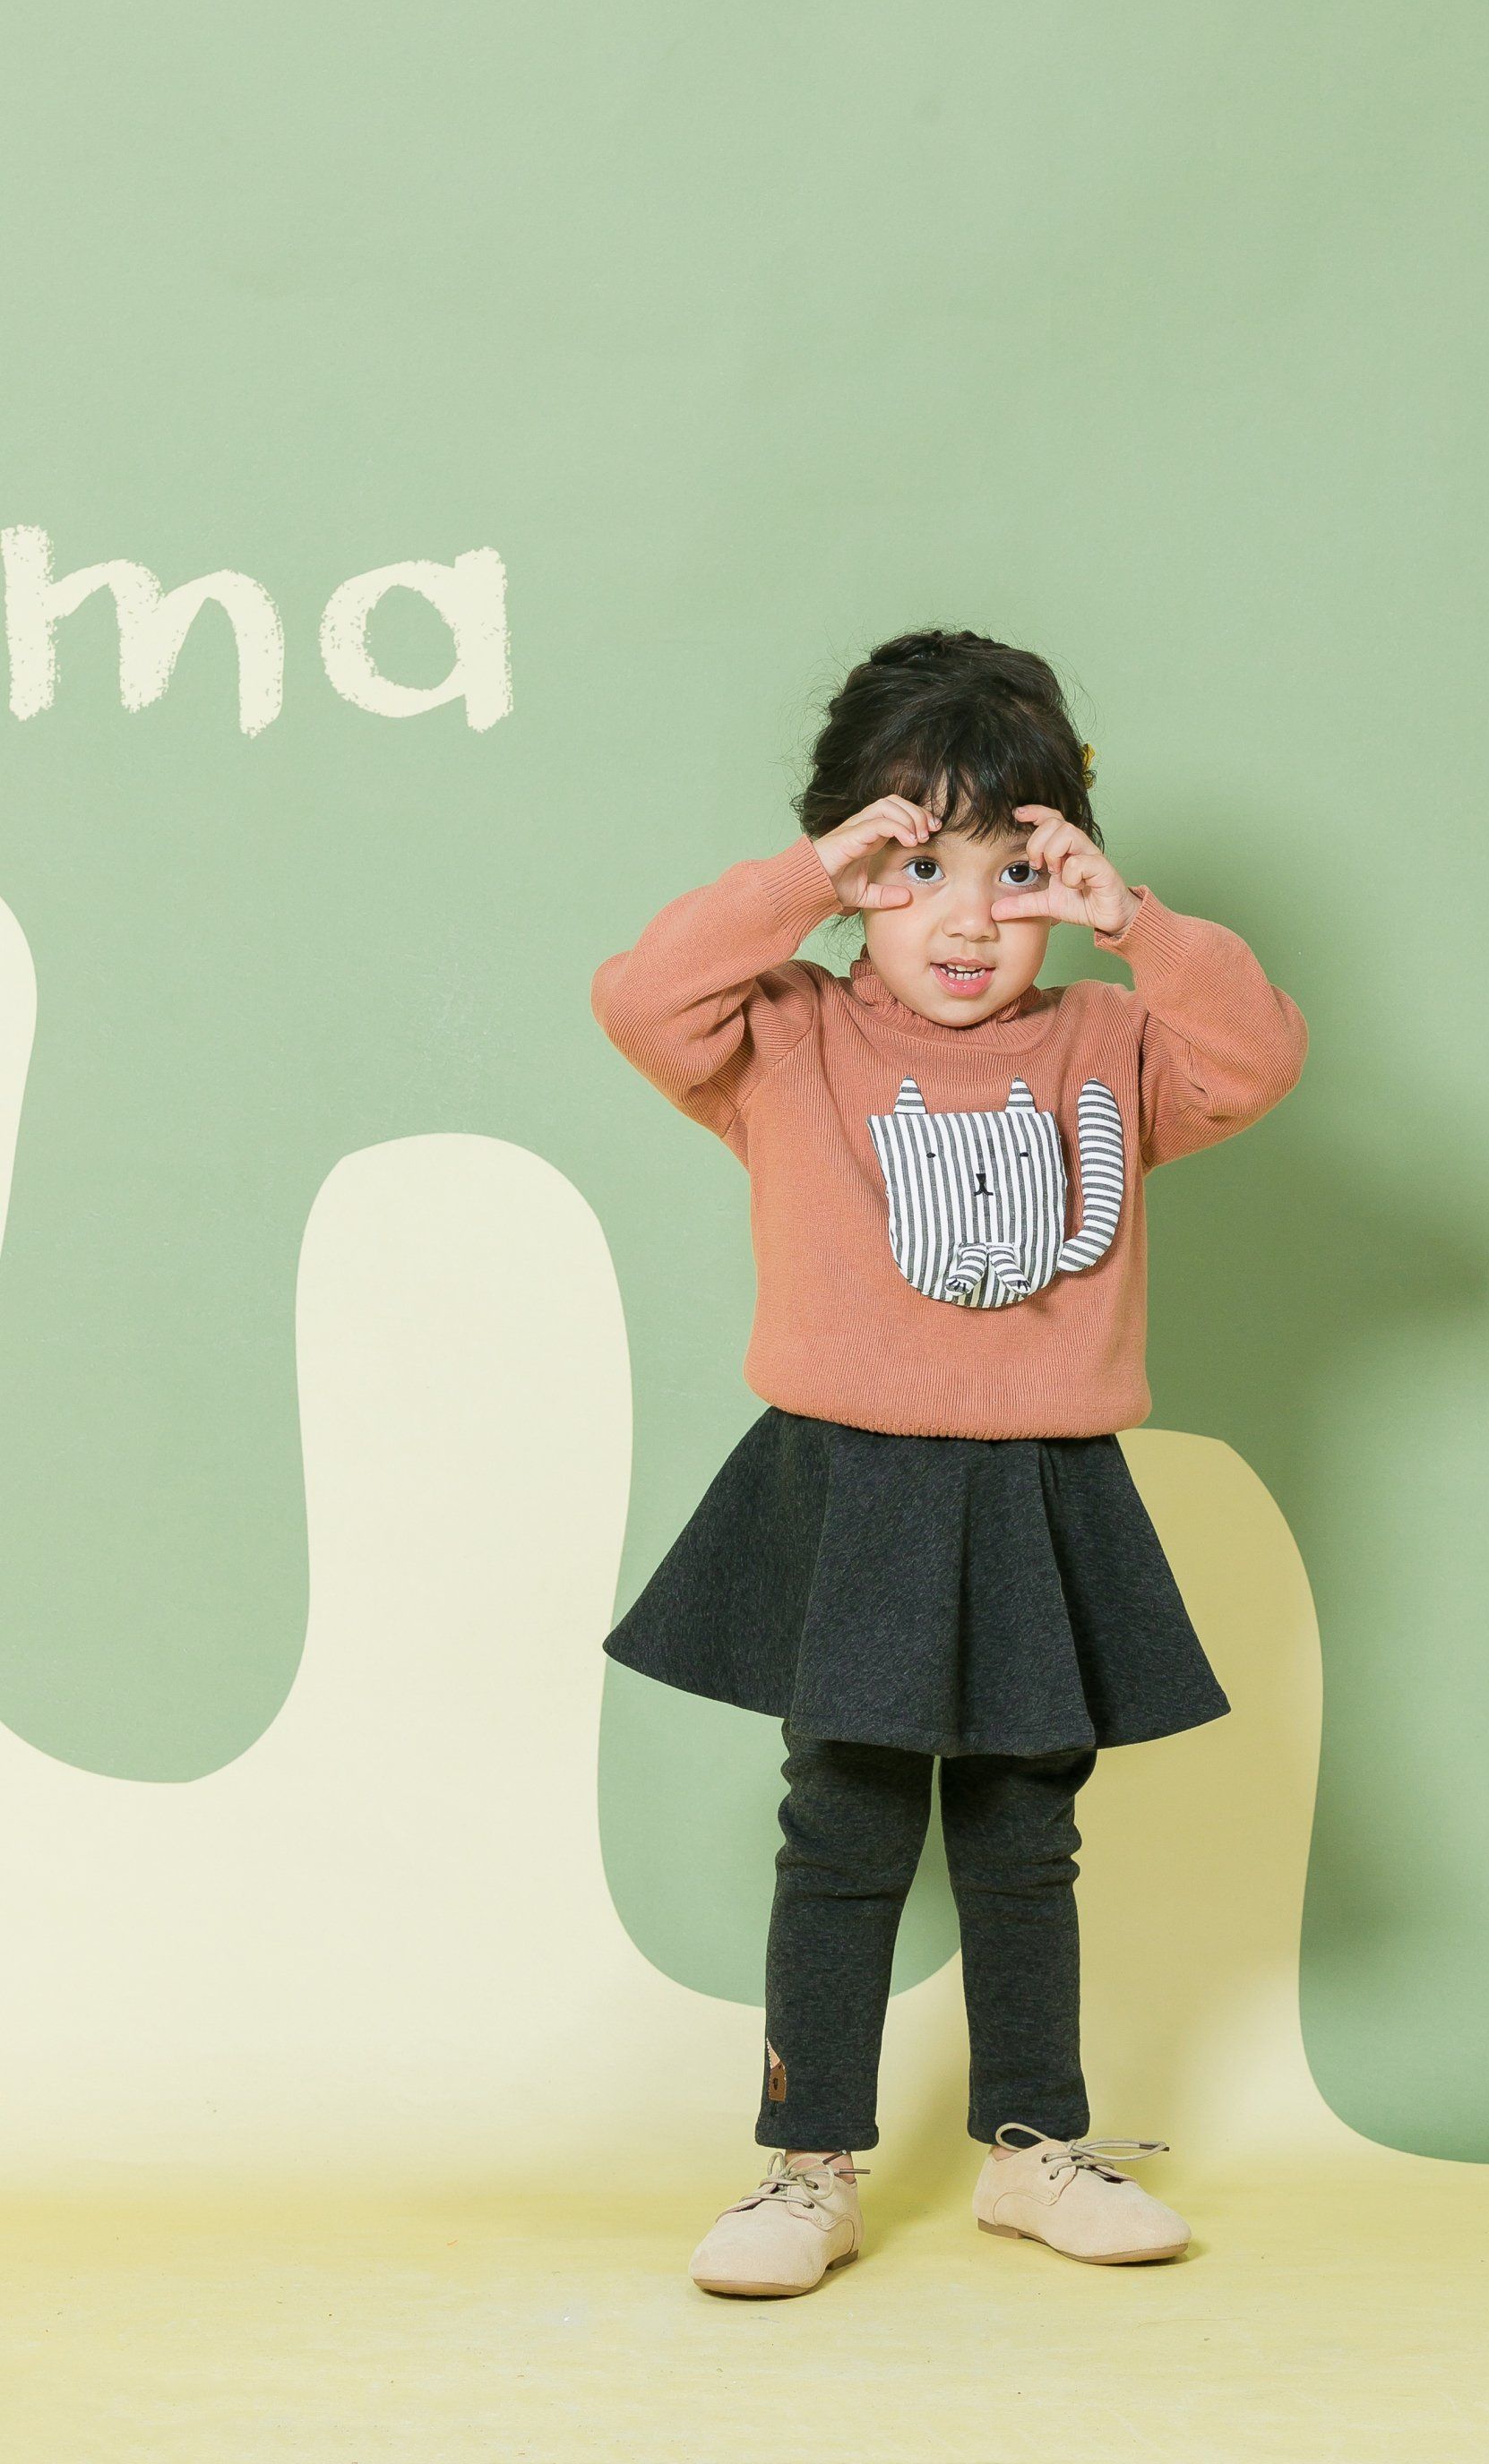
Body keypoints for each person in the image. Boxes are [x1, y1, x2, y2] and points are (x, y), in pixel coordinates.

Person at [590, 628, 1308, 2297]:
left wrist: (1135, 927)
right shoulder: (788, 1036)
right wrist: (805, 879)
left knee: (1021, 1826)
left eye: (1008, 870)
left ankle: (1036, 2151)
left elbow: (1256, 1060)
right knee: (840, 1822)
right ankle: (804, 2166)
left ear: (1062, 876)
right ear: (854, 875)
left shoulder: (1111, 1044)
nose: (968, 918)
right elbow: (639, 996)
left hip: (1040, 1483)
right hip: (851, 1482)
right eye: (914, 871)